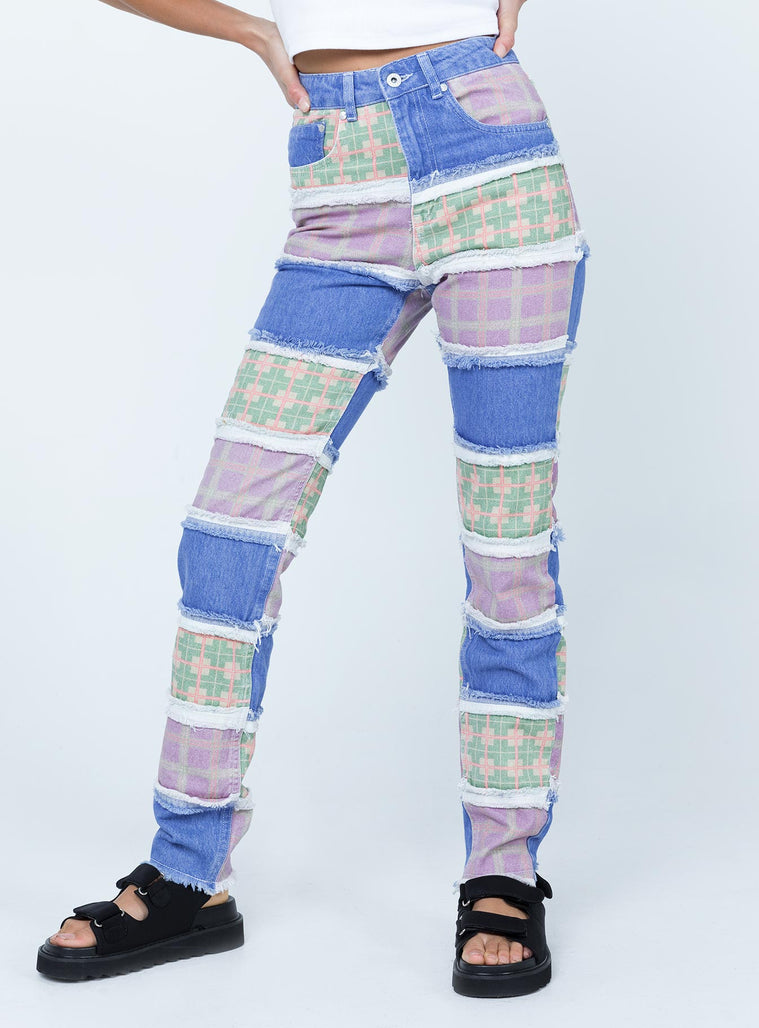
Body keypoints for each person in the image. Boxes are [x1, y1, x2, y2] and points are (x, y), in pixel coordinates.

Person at [36, 0, 589, 998]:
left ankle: (503, 869)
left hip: (492, 148)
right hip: (339, 170)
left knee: (507, 549)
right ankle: (190, 871)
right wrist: (252, 30)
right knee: (229, 535)